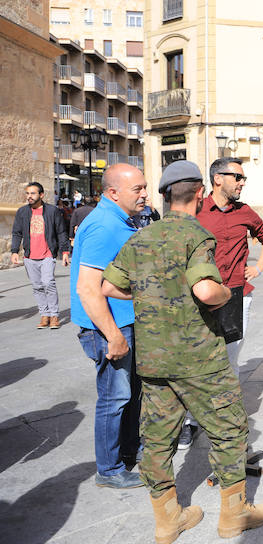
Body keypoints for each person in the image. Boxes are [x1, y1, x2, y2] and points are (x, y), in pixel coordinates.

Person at [101, 160, 263, 542]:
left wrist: (154, 295)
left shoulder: (140, 238)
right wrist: (227, 293)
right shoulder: (197, 235)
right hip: (200, 360)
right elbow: (206, 291)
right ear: (199, 193)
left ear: (163, 196)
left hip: (154, 360)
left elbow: (110, 287)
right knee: (229, 429)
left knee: (158, 439)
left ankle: (168, 521)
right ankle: (234, 516)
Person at [185, 157, 263, 450]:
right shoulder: (196, 211)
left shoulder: (245, 212)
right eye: (237, 177)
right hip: (201, 294)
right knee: (196, 358)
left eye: (243, 178)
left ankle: (226, 417)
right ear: (218, 179)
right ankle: (191, 420)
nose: (242, 182)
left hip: (237, 294)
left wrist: (258, 267)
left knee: (231, 359)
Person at [70, 164, 146, 489]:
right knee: (114, 398)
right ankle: (110, 470)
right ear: (113, 192)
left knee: (130, 395)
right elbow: (88, 288)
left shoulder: (118, 220)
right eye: (137, 189)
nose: (145, 194)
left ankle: (130, 451)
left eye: (145, 187)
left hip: (124, 324)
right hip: (109, 329)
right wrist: (113, 335)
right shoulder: (103, 225)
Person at [10, 182, 71, 329]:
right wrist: (14, 251)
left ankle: (54, 315)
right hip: (30, 255)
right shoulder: (22, 212)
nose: (29, 196)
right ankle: (45, 314)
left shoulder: (52, 211)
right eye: (27, 193)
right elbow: (17, 232)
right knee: (37, 286)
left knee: (48, 283)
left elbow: (61, 232)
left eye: (32, 193)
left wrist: (64, 252)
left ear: (41, 195)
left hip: (47, 254)